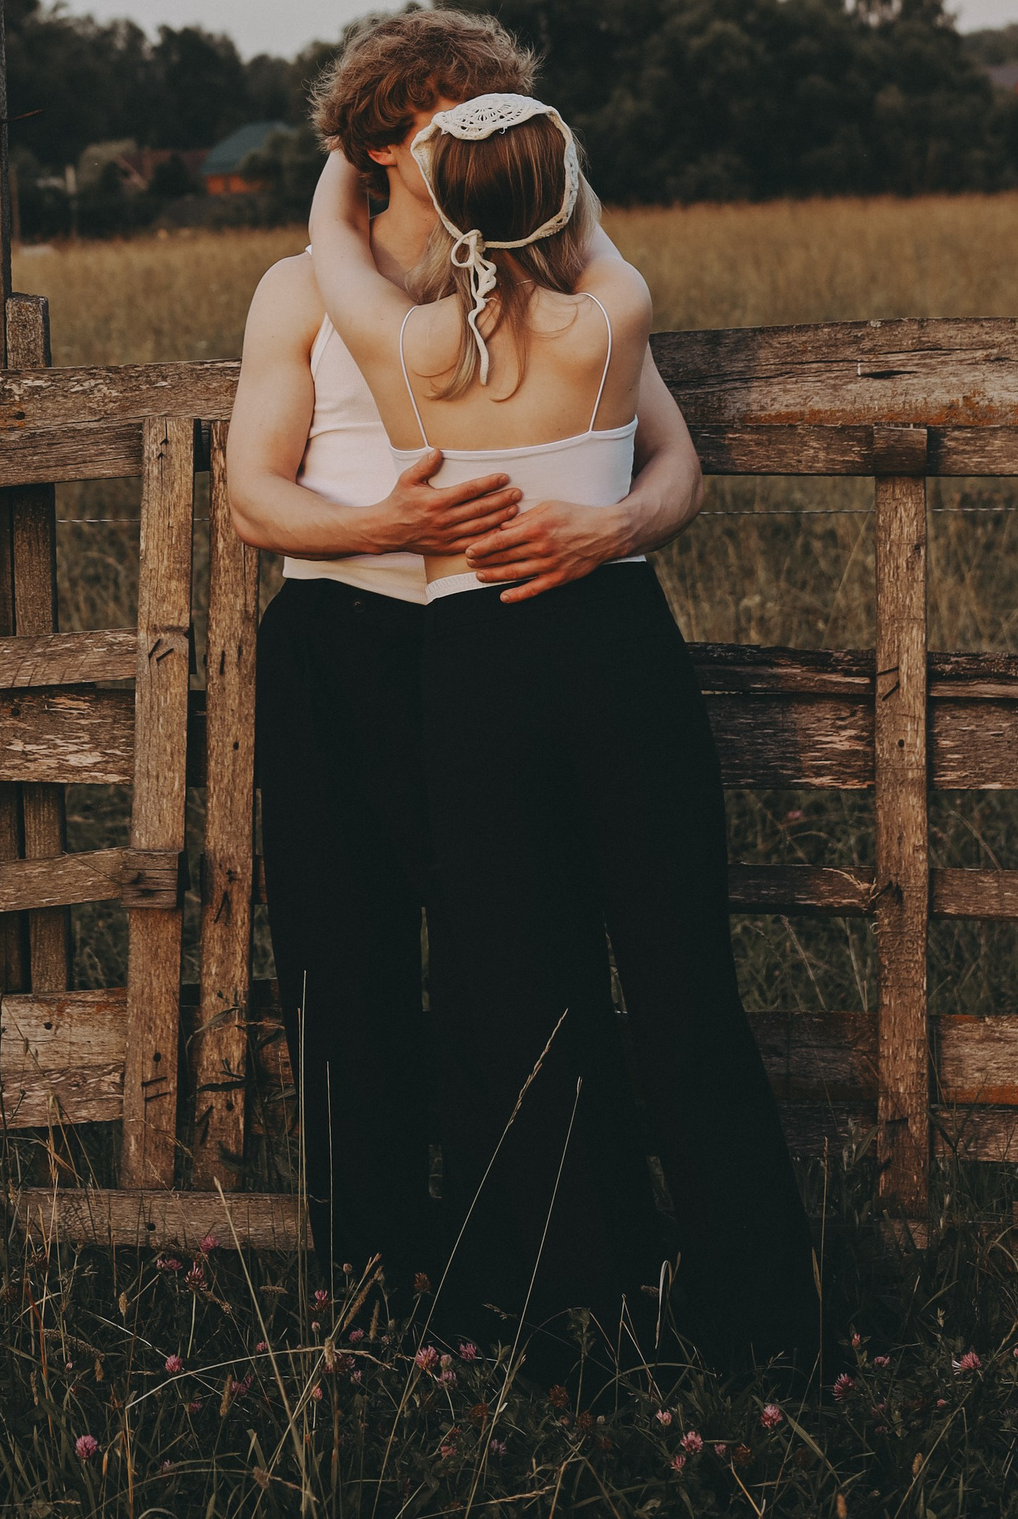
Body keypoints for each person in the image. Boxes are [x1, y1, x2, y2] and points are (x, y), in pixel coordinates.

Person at [307, 91, 819, 1369]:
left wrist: (353, 153)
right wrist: (549, 177)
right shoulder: (612, 318)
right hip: (616, 647)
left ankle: (583, 1318)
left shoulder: (405, 347)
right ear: (563, 194)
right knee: (683, 976)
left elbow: (332, 246)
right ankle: (764, 1320)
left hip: (471, 672)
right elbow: (588, 236)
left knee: (528, 996)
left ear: (451, 205)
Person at [224, 11, 704, 1298]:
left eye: (505, 108)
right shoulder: (299, 292)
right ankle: (375, 1267)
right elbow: (254, 496)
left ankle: (542, 1263)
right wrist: (388, 525)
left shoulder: (552, 278)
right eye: (454, 112)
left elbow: (672, 460)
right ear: (381, 145)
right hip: (343, 643)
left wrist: (614, 531)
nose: (494, 132)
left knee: (521, 967)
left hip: (504, 648)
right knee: (344, 959)